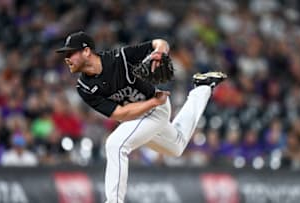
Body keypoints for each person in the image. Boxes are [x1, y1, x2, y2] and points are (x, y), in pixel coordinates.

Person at [56, 31, 227, 203]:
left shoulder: (119, 57)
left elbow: (159, 42)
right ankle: (202, 89)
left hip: (155, 111)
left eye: (71, 53)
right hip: (142, 112)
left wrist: (160, 52)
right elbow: (119, 113)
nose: (67, 58)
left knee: (115, 144)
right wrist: (153, 102)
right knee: (177, 146)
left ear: (86, 51)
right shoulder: (84, 87)